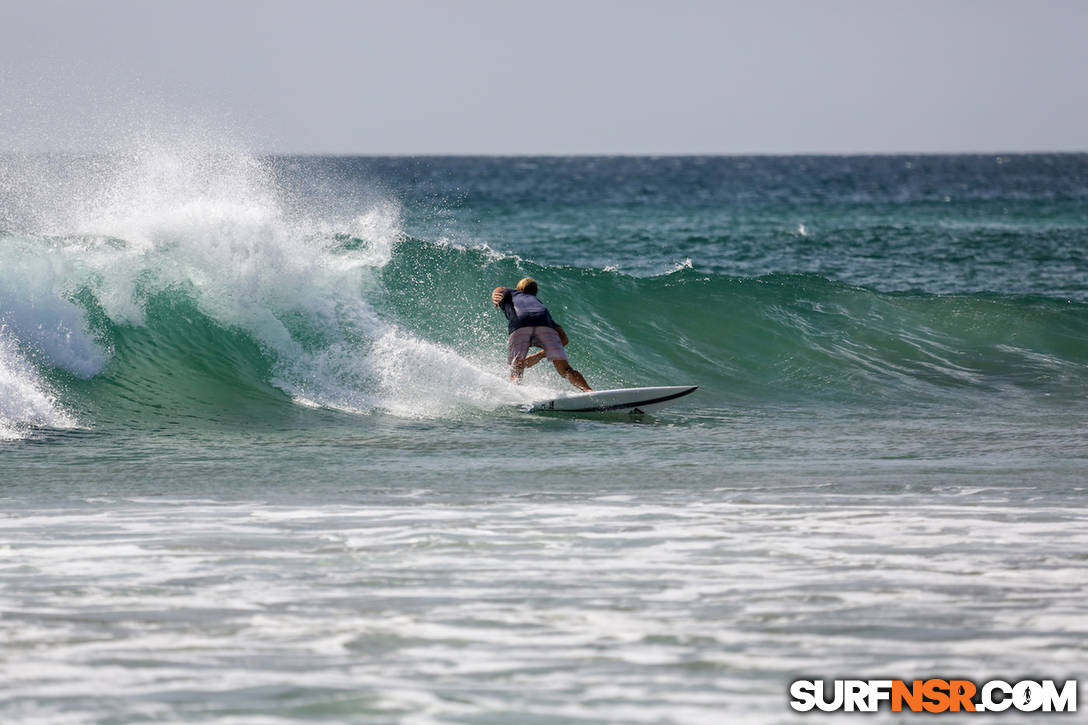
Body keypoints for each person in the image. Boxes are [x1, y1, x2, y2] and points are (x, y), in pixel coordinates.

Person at [491, 277, 592, 391]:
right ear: (535, 293)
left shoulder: (512, 292)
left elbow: (500, 289)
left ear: (518, 288)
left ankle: (515, 396)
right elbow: (564, 339)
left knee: (516, 369)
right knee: (566, 370)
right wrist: (538, 356)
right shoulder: (538, 306)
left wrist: (495, 295)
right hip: (545, 324)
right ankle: (589, 391)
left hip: (520, 324)